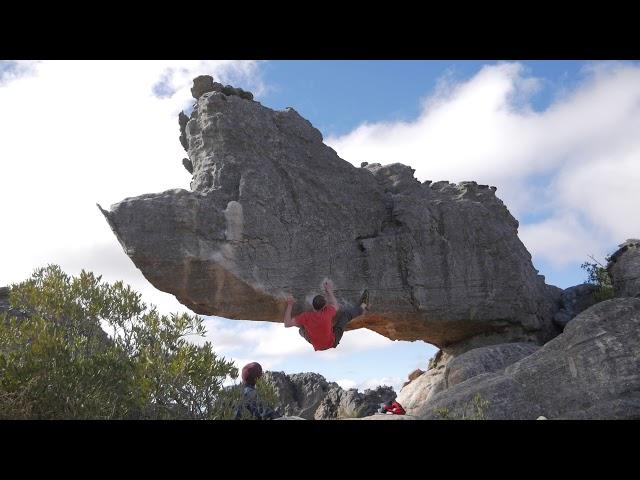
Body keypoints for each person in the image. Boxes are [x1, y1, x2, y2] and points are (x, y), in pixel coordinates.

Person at [283, 279, 369, 351]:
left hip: (317, 345)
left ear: (312, 305)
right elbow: (336, 305)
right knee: (345, 316)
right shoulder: (327, 313)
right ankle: (362, 308)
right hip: (332, 342)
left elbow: (287, 324)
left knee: (301, 330)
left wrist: (290, 304)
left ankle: (305, 333)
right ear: (324, 307)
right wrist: (329, 291)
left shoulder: (306, 317)